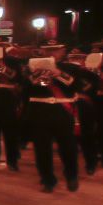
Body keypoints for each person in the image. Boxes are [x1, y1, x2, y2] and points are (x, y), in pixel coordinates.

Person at [23, 57, 82, 193]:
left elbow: (77, 86)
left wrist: (59, 73)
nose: (50, 53)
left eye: (54, 50)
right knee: (42, 149)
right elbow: (25, 90)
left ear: (61, 51)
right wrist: (35, 75)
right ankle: (47, 179)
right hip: (39, 112)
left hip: (62, 113)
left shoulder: (70, 67)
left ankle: (71, 176)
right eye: (47, 50)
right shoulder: (30, 67)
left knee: (68, 147)